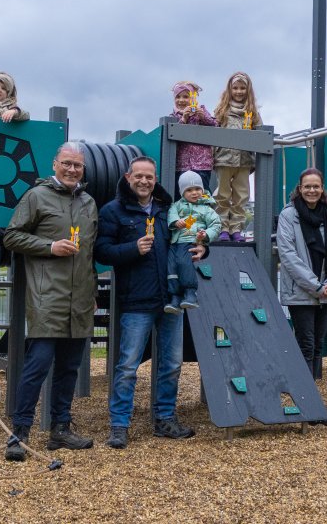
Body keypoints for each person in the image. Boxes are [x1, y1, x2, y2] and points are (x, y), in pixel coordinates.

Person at [94, 157, 207, 450]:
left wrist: (201, 249)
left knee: (171, 364)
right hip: (136, 300)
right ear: (128, 177)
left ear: (156, 179)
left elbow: (188, 235)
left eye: (150, 177)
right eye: (139, 176)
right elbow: (102, 251)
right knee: (128, 366)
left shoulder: (167, 211)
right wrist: (132, 248)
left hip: (171, 298)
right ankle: (119, 425)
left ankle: (165, 419)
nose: (144, 181)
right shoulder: (113, 211)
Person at [1, 142, 95, 460]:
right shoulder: (36, 197)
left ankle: (60, 430)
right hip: (47, 297)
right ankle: (19, 433)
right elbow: (11, 236)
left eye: (77, 166)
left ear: (83, 169)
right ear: (55, 164)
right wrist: (49, 246)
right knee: (37, 366)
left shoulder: (89, 203)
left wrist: (92, 294)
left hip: (80, 299)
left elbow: (91, 256)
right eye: (66, 163)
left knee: (69, 369)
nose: (72, 170)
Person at [277, 168, 327, 398]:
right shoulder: (288, 215)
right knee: (305, 345)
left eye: (316, 186)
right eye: (307, 186)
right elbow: (288, 255)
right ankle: (305, 398)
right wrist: (316, 286)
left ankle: (311, 396)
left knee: (317, 347)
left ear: (322, 189)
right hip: (302, 293)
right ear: (300, 188)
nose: (312, 190)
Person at [212, 71, 261, 241]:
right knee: (223, 194)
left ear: (248, 90)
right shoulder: (222, 111)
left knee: (241, 196)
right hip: (224, 157)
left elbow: (260, 133)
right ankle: (223, 226)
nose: (239, 91)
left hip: (244, 159)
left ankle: (236, 228)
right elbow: (213, 132)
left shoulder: (252, 112)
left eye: (242, 88)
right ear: (230, 89)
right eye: (235, 88)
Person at [165, 170, 221, 313]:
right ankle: (175, 297)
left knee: (184, 264)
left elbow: (216, 224)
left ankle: (190, 292)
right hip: (175, 241)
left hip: (191, 241)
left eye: (197, 189)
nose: (194, 192)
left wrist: (206, 235)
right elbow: (171, 213)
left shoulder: (206, 209)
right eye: (189, 190)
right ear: (182, 192)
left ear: (203, 190)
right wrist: (175, 222)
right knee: (171, 267)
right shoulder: (177, 205)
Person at [170, 81, 217, 194]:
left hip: (202, 164)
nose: (181, 100)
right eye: (178, 97)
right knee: (182, 193)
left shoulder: (202, 111)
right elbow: (172, 134)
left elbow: (215, 125)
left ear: (193, 98)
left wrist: (203, 117)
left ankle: (204, 211)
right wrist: (184, 119)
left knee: (202, 192)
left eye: (186, 96)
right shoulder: (173, 116)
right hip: (181, 164)